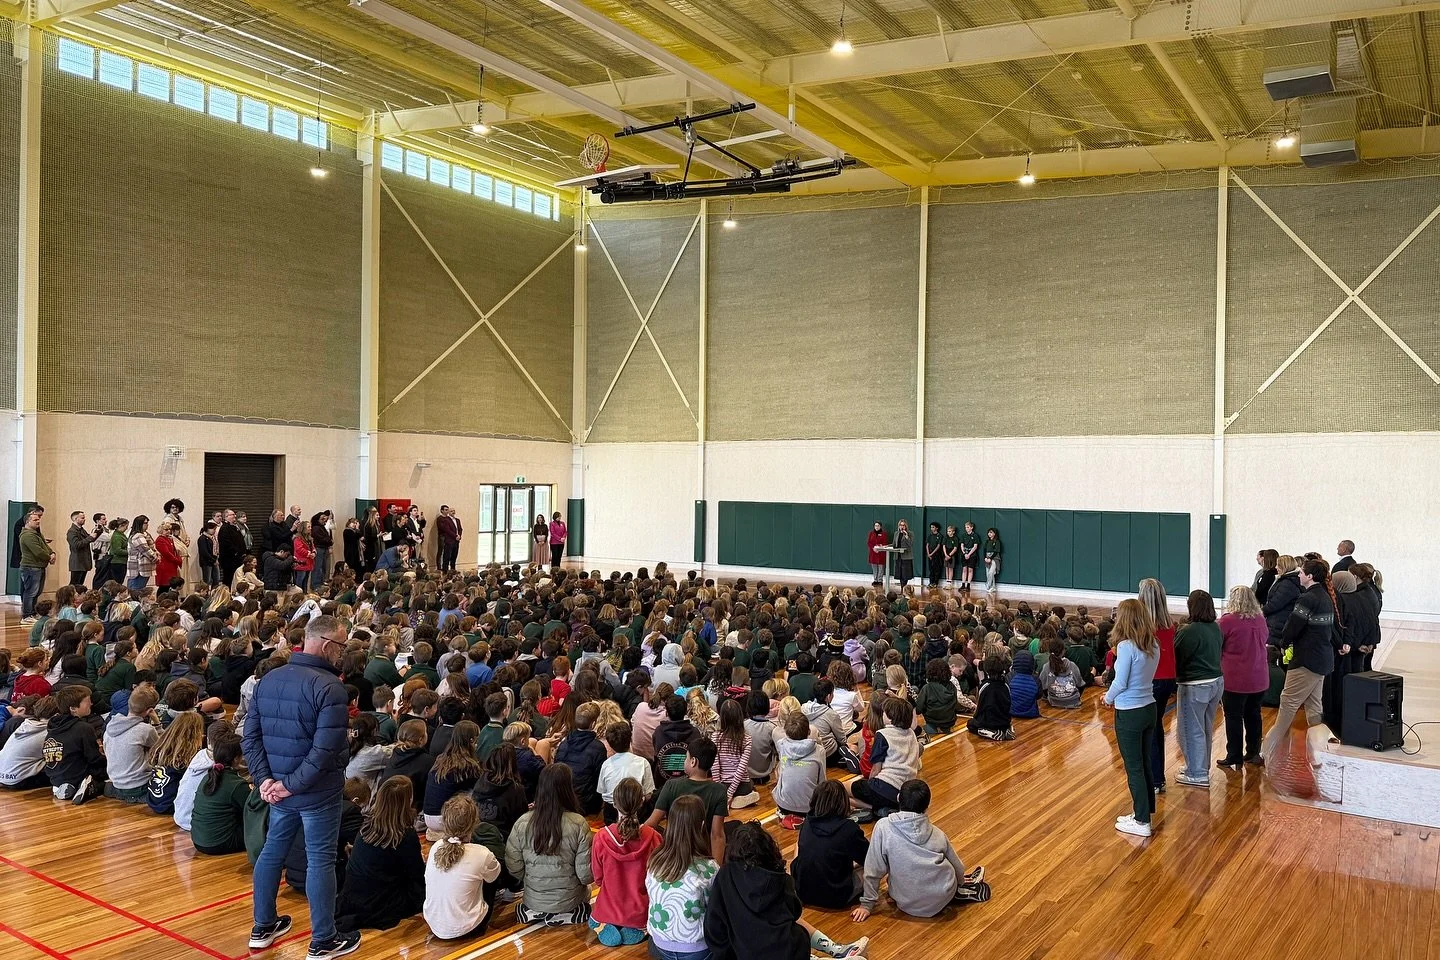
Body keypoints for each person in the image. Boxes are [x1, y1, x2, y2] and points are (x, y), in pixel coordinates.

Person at [243, 615, 360, 959]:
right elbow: (324, 752)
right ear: (327, 645)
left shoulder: (268, 679)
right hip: (314, 792)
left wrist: (266, 781)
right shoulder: (330, 687)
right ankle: (323, 939)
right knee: (320, 860)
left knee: (272, 852)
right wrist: (287, 786)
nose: (344, 654)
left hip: (279, 789)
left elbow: (250, 739)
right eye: (342, 646)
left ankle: (263, 925)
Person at [703, 822, 869, 960]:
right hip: (788, 950)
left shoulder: (725, 876)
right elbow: (794, 912)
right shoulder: (779, 877)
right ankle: (832, 950)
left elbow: (714, 928)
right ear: (768, 848)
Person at [854, 779, 988, 921]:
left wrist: (866, 905)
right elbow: (958, 867)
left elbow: (872, 870)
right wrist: (960, 882)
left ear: (898, 798)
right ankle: (957, 892)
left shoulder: (883, 827)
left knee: (891, 878)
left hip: (904, 902)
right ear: (927, 805)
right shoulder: (938, 834)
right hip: (943, 896)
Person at [1261, 559, 1337, 764]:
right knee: (1314, 708)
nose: (1299, 575)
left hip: (1306, 660)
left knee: (1287, 703)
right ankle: (1317, 754)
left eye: (1302, 572)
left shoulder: (1308, 599)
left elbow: (1293, 626)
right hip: (1321, 659)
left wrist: (1283, 642)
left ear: (1310, 576)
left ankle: (1268, 750)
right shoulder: (1326, 596)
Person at [504, 763, 596, 926]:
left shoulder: (522, 823)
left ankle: (536, 912)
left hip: (533, 898)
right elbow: (585, 876)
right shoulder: (578, 823)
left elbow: (514, 867)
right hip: (570, 900)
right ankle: (568, 913)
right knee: (588, 892)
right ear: (568, 789)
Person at [334, 775, 426, 932]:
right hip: (381, 903)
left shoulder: (367, 824)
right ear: (406, 801)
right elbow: (417, 875)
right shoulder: (403, 834)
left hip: (353, 896)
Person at [1103, 598, 1160, 838]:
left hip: (1130, 712)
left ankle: (1141, 820)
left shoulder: (1126, 647)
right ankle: (1144, 810)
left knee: (1133, 766)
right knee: (1144, 762)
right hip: (1149, 707)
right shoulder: (1153, 645)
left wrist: (1107, 698)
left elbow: (1120, 681)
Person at [590, 777, 663, 946]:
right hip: (640, 909)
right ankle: (639, 927)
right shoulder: (653, 837)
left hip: (608, 906)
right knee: (644, 919)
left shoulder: (601, 837)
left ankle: (603, 923)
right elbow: (657, 878)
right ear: (641, 802)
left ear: (614, 803)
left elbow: (598, 879)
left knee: (595, 916)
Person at [646, 794, 718, 960]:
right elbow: (716, 911)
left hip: (659, 944)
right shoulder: (710, 868)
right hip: (698, 949)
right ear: (701, 826)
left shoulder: (654, 861)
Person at [424, 794, 503, 940]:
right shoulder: (482, 853)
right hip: (470, 928)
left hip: (433, 924)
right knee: (490, 872)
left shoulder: (436, 847)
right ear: (474, 823)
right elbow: (495, 875)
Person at [646, 738, 728, 865]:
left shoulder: (671, 785)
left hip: (673, 852)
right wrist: (717, 868)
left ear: (693, 762)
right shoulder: (719, 790)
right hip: (702, 853)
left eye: (686, 758)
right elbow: (717, 834)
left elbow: (652, 823)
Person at [791, 779, 868, 909]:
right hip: (836, 896)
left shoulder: (807, 822)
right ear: (843, 802)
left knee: (798, 847)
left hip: (803, 892)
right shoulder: (848, 829)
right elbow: (869, 858)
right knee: (874, 865)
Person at [1174, 589, 1223, 787]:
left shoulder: (1189, 631)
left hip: (1195, 685)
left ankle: (1197, 773)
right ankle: (1198, 767)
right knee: (1204, 728)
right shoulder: (1215, 628)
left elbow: (1177, 657)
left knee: (1190, 730)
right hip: (1216, 682)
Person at [1217, 585, 1269, 769]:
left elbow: (1217, 644)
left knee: (1233, 716)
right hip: (1259, 677)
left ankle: (1234, 755)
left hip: (1235, 678)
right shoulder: (1260, 620)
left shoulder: (1226, 622)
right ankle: (1254, 752)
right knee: (1254, 715)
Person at [849, 697, 921, 823]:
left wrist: (870, 785)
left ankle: (874, 808)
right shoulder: (911, 733)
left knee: (840, 790)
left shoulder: (883, 734)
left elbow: (876, 769)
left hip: (883, 785)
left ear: (890, 717)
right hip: (904, 792)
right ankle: (885, 808)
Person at [1137, 578, 1177, 793]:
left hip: (1151, 679)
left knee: (1149, 729)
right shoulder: (1169, 622)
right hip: (1167, 678)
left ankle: (1153, 779)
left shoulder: (1144, 626)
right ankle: (1157, 778)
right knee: (1156, 726)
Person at [43, 685, 106, 804]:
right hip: (78, 773)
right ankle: (85, 786)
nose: (91, 704)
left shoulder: (52, 729)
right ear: (73, 708)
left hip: (55, 777)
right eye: (87, 702)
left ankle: (62, 787)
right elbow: (93, 758)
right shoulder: (83, 728)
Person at [191, 730, 250, 854]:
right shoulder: (236, 785)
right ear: (236, 758)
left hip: (198, 840)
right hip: (220, 843)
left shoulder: (207, 778)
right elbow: (253, 810)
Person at [103, 684, 159, 802]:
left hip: (116, 783)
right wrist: (157, 724)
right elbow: (162, 749)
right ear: (150, 711)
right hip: (139, 786)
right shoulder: (145, 730)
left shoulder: (109, 728)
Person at [773, 712, 826, 831]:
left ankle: (786, 815)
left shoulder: (781, 745)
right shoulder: (819, 750)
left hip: (784, 804)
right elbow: (822, 782)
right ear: (808, 732)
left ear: (786, 732)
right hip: (809, 807)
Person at [0, 695, 57, 790]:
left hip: (3, 775)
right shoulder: (48, 732)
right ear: (57, 715)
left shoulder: (25, 724)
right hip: (17, 781)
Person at [967, 655, 1013, 741]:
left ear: (987, 670)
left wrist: (976, 718)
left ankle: (989, 732)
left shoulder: (985, 686)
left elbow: (980, 707)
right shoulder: (1005, 685)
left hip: (989, 721)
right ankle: (1007, 729)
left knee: (971, 724)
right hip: (1005, 720)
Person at [19, 510, 54, 622]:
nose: (38, 521)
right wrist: (49, 558)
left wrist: (52, 553)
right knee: (30, 592)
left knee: (37, 592)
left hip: (38, 567)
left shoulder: (36, 534)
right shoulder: (27, 536)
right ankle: (27, 615)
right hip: (30, 567)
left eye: (39, 519)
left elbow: (44, 546)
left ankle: (32, 613)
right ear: (27, 522)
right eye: (35, 520)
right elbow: (38, 552)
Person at [1263, 555, 1302, 644]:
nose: (1276, 567)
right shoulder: (1287, 580)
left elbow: (1275, 604)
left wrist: (1260, 612)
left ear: (1285, 567)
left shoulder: (1287, 583)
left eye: (1278, 565)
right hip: (1280, 621)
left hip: (1279, 623)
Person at [1037, 638, 1082, 710]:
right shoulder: (1072, 665)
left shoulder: (1046, 667)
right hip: (1073, 701)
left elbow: (1042, 686)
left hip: (1054, 701)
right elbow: (1080, 684)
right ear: (1063, 651)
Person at [125, 516, 157, 592]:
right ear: (140, 524)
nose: (147, 525)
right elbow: (146, 550)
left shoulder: (144, 534)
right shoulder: (137, 536)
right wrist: (156, 557)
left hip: (143, 567)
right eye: (145, 523)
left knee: (140, 588)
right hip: (138, 569)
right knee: (136, 590)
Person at [219, 511, 249, 587]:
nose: (234, 516)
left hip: (237, 559)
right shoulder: (224, 528)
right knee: (229, 578)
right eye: (232, 515)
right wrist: (236, 552)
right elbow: (226, 543)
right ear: (226, 517)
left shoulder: (234, 527)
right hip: (230, 560)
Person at [66, 510, 94, 587]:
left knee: (80, 585)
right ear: (75, 518)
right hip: (77, 562)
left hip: (83, 562)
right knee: (74, 585)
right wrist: (90, 537)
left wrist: (97, 533)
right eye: (82, 518)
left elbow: (89, 538)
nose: (84, 519)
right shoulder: (72, 531)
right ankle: (68, 598)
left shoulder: (81, 530)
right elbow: (76, 545)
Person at [436, 505, 463, 573]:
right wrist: (455, 536)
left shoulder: (457, 520)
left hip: (456, 541)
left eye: (453, 511)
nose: (453, 512)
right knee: (447, 556)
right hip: (449, 540)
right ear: (449, 512)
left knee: (454, 556)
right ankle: (445, 571)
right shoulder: (446, 520)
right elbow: (447, 530)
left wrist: (459, 535)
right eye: (451, 511)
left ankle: (453, 570)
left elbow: (460, 529)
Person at [958, 521, 980, 593]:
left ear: (971, 527)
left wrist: (969, 554)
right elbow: (962, 545)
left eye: (968, 527)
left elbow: (975, 546)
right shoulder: (963, 535)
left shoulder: (975, 536)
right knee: (964, 569)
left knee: (970, 570)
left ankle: (968, 585)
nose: (966, 529)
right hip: (964, 555)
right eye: (965, 527)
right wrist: (964, 553)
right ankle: (963, 584)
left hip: (972, 555)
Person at [865, 521, 889, 586]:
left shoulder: (884, 534)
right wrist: (873, 548)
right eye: (875, 526)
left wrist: (879, 547)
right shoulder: (871, 533)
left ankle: (880, 580)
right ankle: (875, 580)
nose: (876, 527)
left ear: (880, 526)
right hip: (873, 553)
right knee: (874, 567)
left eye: (878, 526)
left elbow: (885, 543)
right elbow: (869, 543)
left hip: (881, 553)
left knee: (881, 567)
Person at [892, 519, 913, 590]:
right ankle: (902, 589)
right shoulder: (896, 533)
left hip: (906, 556)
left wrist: (906, 536)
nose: (902, 527)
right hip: (898, 556)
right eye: (901, 525)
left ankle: (904, 589)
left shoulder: (910, 533)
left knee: (905, 574)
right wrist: (886, 546)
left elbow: (910, 544)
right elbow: (894, 544)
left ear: (906, 526)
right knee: (900, 574)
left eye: (903, 525)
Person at [982, 527, 1003, 595]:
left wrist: (990, 558)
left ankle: (988, 585)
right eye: (989, 532)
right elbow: (984, 550)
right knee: (988, 573)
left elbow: (996, 551)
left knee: (991, 572)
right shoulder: (987, 541)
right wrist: (985, 558)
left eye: (991, 532)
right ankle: (993, 587)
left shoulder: (997, 541)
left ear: (994, 533)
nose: (989, 534)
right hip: (987, 558)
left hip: (995, 558)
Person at [924, 521, 944, 589]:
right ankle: (931, 582)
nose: (931, 528)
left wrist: (932, 553)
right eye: (931, 527)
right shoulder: (930, 536)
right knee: (931, 569)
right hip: (930, 555)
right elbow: (927, 545)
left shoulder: (940, 536)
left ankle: (935, 583)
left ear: (937, 528)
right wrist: (928, 554)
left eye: (933, 527)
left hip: (937, 555)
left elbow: (938, 546)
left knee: (937, 569)